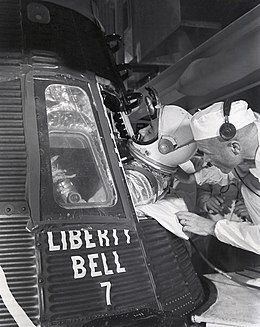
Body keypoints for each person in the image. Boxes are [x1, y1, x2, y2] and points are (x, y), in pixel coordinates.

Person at [176, 100, 260, 255]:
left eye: (209, 153)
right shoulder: (248, 150)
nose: (206, 160)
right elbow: (231, 172)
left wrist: (211, 227)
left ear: (234, 147)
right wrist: (192, 178)